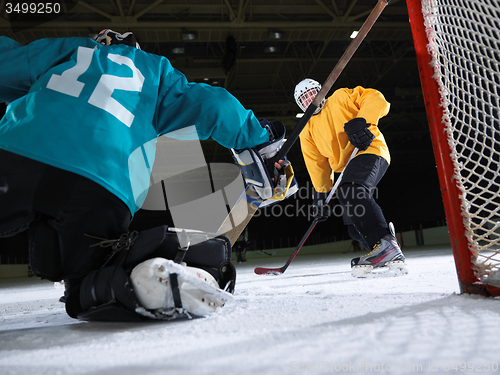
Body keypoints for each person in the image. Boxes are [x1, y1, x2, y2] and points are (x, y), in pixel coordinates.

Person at [0, 30, 294, 321]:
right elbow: (213, 106)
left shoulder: (69, 49)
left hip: (18, 151)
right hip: (103, 183)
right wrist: (259, 140)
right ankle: (134, 280)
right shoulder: (155, 71)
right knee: (87, 283)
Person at [293, 78, 406, 276]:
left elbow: (375, 97)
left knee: (351, 190)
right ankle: (380, 251)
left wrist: (362, 120)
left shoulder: (340, 97)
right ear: (301, 105)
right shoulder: (307, 129)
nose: (310, 99)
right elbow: (317, 164)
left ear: (322, 91)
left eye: (313, 92)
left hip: (370, 150)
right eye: (304, 98)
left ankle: (385, 244)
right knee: (354, 225)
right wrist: (321, 195)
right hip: (347, 168)